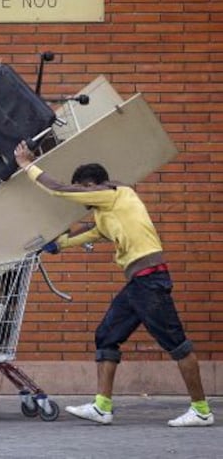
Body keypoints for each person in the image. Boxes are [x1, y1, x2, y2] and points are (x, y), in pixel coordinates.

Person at [14, 140, 214, 427]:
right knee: (107, 336)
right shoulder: (107, 214)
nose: (82, 199)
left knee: (177, 344)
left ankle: (201, 410)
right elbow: (88, 234)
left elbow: (60, 190)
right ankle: (102, 407)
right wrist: (56, 244)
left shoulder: (116, 193)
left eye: (83, 191)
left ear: (93, 184)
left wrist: (27, 165)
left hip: (150, 280)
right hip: (137, 284)